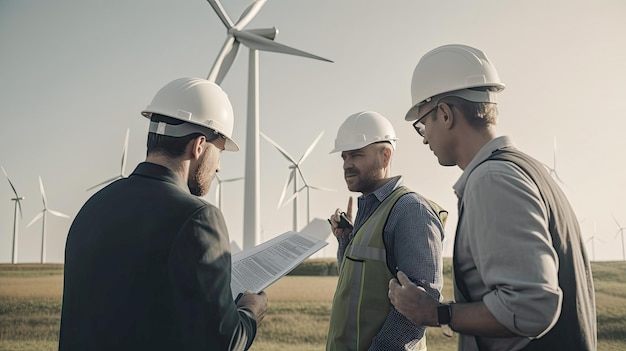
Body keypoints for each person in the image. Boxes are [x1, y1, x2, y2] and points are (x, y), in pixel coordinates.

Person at [389, 44, 597, 350]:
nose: (423, 138)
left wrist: (433, 312)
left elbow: (530, 307)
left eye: (422, 124)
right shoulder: (528, 169)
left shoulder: (492, 180)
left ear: (445, 114)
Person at [59, 77, 268, 351]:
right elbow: (222, 343)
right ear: (199, 146)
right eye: (219, 153)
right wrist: (251, 312)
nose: (218, 169)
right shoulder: (198, 218)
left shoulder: (92, 207)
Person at [326, 111, 447, 351]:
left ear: (385, 156)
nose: (347, 164)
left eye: (357, 155)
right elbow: (359, 288)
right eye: (344, 156)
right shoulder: (369, 212)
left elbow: (418, 309)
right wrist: (345, 242)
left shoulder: (411, 210)